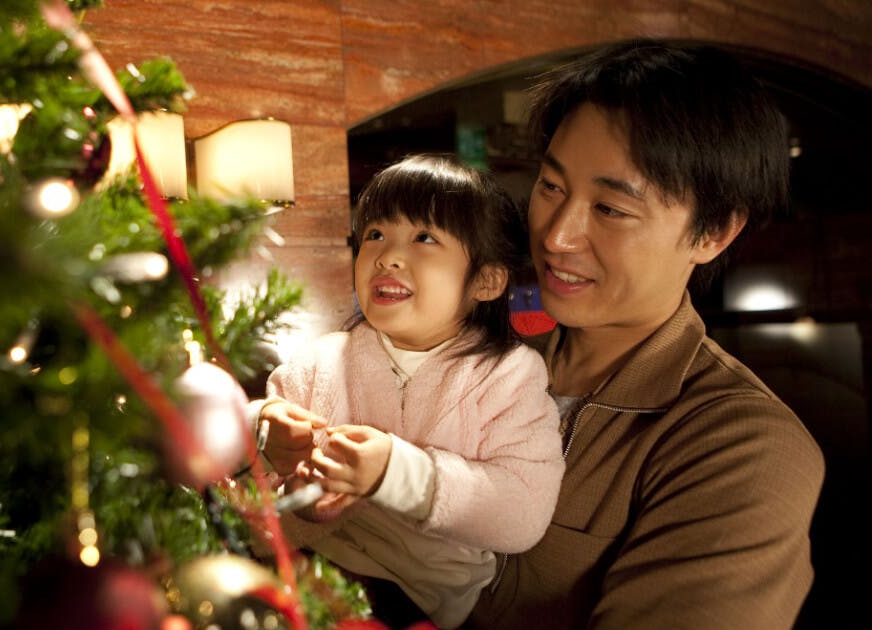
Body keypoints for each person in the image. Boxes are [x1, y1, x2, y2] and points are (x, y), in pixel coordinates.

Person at [465, 39, 825, 629]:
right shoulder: (487, 360)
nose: (557, 236)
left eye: (610, 209)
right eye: (551, 187)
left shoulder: (745, 446)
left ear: (714, 232)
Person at [252, 154, 565, 629]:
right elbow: (238, 471)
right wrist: (263, 435)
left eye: (424, 238)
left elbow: (524, 510)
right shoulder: (322, 359)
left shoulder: (509, 375)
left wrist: (396, 474)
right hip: (295, 562)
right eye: (375, 234)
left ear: (486, 280)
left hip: (413, 597)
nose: (388, 256)